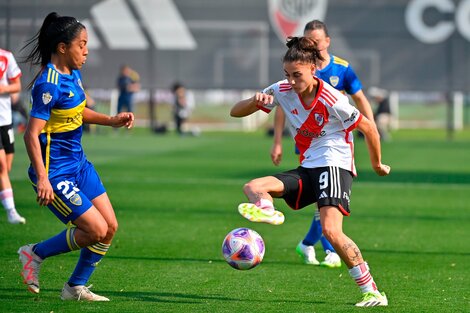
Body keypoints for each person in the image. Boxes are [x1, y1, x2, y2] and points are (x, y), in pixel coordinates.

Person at [230, 36, 390, 307]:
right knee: (253, 188)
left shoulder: (332, 98)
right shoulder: (281, 89)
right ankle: (267, 209)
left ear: (313, 70)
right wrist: (255, 102)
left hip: (335, 165)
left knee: (330, 230)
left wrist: (376, 164)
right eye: (287, 75)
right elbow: (235, 112)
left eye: (297, 75)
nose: (291, 81)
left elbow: (370, 128)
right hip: (309, 167)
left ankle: (372, 291)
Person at [18, 12, 134, 301]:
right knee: (95, 229)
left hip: (79, 165)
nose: (86, 50)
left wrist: (111, 120)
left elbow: (77, 111)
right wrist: (43, 178)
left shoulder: (74, 74)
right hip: (54, 173)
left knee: (110, 228)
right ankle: (34, 253)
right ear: (62, 47)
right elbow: (31, 134)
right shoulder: (49, 84)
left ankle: (74, 288)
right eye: (81, 44)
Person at [271, 20, 376, 268]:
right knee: (325, 202)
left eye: (316, 41)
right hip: (307, 144)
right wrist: (277, 141)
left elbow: (359, 98)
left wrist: (371, 128)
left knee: (326, 203)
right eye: (308, 40)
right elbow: (281, 105)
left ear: (326, 42)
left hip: (336, 145)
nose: (313, 45)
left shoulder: (341, 69)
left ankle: (311, 244)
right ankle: (324, 248)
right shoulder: (297, 71)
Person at [0, 48, 26, 224]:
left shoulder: (6, 56)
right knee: (1, 167)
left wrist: (4, 88)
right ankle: (11, 212)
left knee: (6, 169)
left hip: (5, 119)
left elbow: (17, 85)